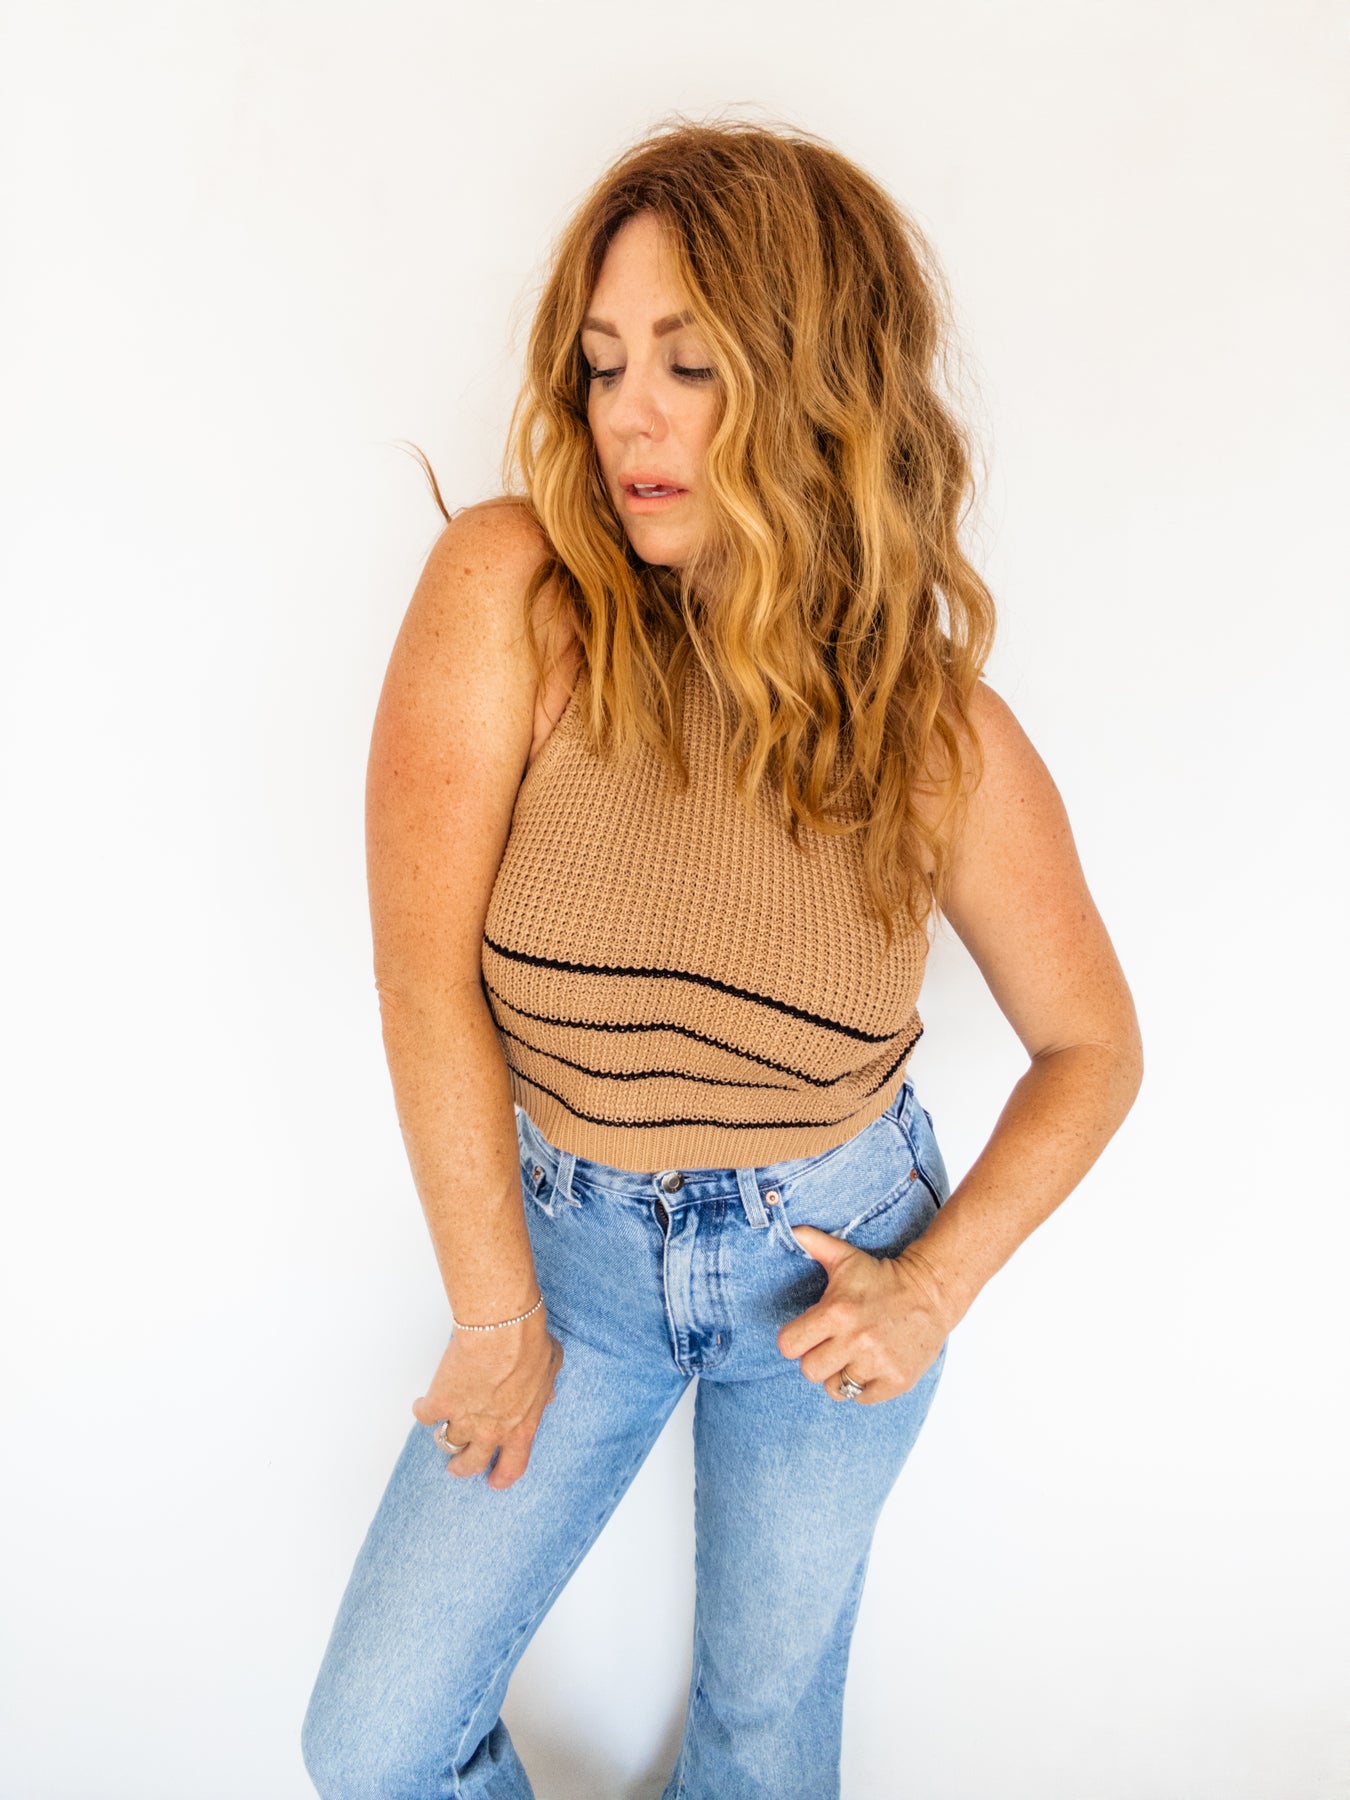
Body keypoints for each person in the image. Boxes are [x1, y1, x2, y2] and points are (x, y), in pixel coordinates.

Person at [300, 116, 1143, 1800]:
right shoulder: (513, 594)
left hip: (827, 1263)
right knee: (373, 1743)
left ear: (817, 387)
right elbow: (420, 978)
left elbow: (1093, 1048)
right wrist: (494, 1313)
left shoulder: (935, 736)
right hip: (565, 1259)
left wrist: (932, 1286)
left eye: (689, 365)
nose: (629, 413)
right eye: (604, 360)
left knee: (761, 1748)